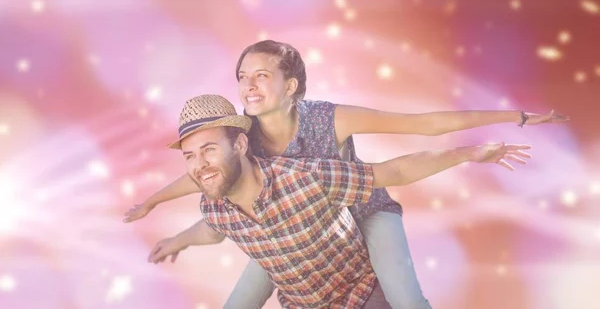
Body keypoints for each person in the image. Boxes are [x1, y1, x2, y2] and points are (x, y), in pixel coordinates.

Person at [125, 41, 568, 308]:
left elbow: (421, 126)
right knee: (240, 301)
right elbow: (206, 173)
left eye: (262, 75)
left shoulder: (327, 119)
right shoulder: (242, 137)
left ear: (292, 85)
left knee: (407, 299)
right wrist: (153, 203)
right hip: (298, 232)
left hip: (361, 208)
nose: (249, 86)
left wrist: (516, 117)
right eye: (243, 77)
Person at [147, 94, 532, 309]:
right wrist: (177, 241)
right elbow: (211, 231)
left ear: (242, 144)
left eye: (209, 150)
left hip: (361, 297)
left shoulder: (305, 176)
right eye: (190, 156)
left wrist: (468, 153)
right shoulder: (214, 207)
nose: (199, 166)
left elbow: (391, 173)